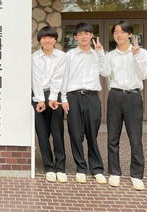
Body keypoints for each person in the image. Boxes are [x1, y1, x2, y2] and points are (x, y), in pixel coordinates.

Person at [61, 22, 111, 184]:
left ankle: (96, 169)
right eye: (80, 34)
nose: (83, 36)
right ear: (75, 37)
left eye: (87, 33)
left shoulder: (98, 54)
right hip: (73, 97)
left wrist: (101, 53)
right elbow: (64, 77)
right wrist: (63, 98)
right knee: (76, 134)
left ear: (91, 36)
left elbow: (106, 72)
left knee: (92, 134)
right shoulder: (69, 55)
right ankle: (81, 167)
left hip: (92, 97)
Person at [106, 20, 147, 190]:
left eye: (122, 32)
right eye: (116, 32)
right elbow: (105, 74)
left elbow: (145, 74)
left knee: (135, 137)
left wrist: (137, 55)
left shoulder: (141, 53)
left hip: (133, 96)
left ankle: (137, 175)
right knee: (112, 137)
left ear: (130, 34)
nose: (119, 34)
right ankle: (114, 173)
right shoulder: (110, 56)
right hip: (115, 95)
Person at [32, 26, 67, 183]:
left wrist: (52, 98)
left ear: (55, 40)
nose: (47, 40)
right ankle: (49, 167)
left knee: (57, 132)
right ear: (39, 40)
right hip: (38, 96)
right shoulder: (34, 57)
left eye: (50, 37)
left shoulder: (61, 56)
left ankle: (60, 167)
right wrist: (40, 99)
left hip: (55, 95)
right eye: (44, 37)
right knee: (42, 133)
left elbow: (58, 78)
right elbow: (35, 78)